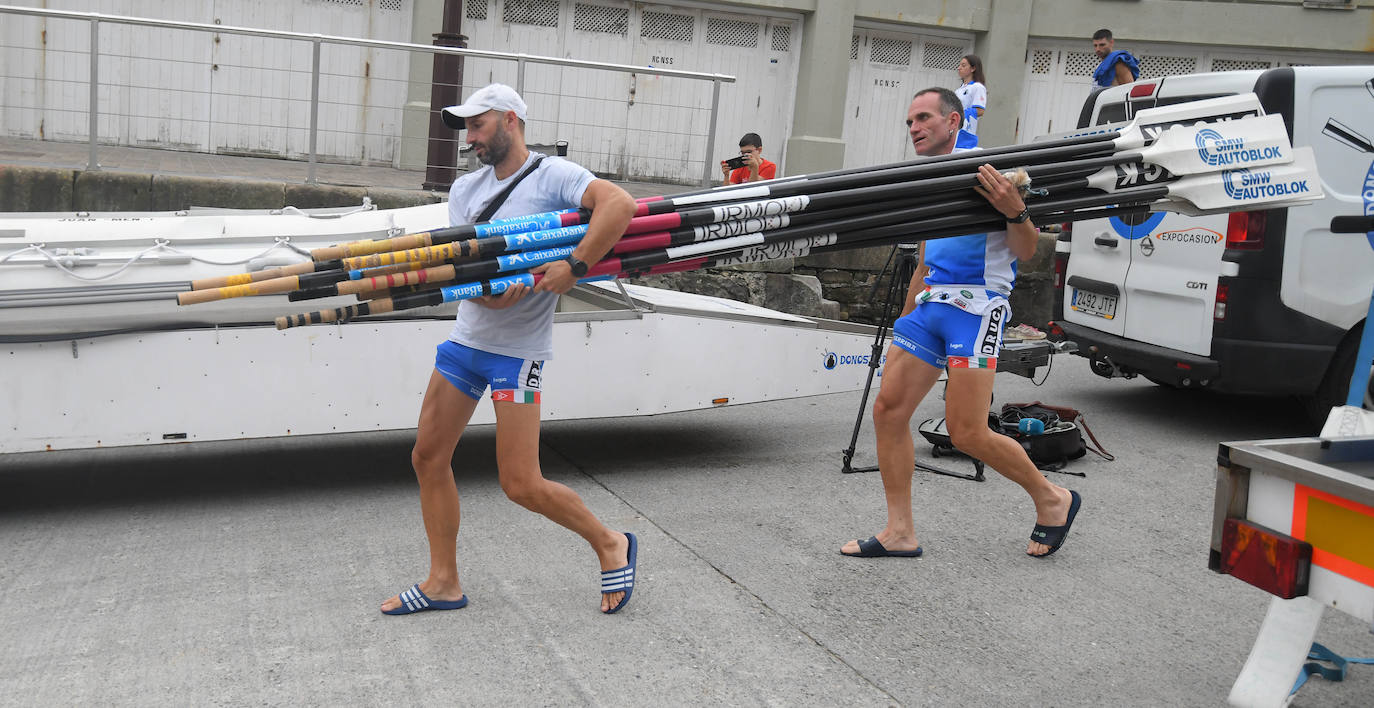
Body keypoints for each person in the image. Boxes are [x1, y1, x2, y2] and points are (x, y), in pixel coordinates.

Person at [379, 83, 640, 616]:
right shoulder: (465, 189)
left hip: (517, 354)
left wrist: (576, 266)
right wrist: (490, 293)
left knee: (520, 483)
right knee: (428, 458)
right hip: (466, 342)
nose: (470, 138)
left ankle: (610, 541)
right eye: (467, 128)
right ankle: (443, 582)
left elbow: (620, 204)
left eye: (478, 126)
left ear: (511, 122)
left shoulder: (555, 177)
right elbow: (467, 267)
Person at [839, 87, 1081, 561]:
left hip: (978, 307)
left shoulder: (991, 170)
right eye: (909, 122)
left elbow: (1027, 251)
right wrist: (904, 321)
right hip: (930, 306)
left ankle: (1053, 498)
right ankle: (899, 532)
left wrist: (1016, 208)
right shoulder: (932, 178)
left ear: (954, 121)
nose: (914, 128)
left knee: (966, 431)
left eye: (924, 118)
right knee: (888, 412)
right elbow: (927, 261)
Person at [954, 54, 987, 139]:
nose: (959, 68)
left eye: (963, 65)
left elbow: (980, 110)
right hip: (954, 132)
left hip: (966, 134)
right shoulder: (958, 90)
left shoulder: (977, 87)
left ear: (973, 68)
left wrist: (959, 114)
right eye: (959, 65)